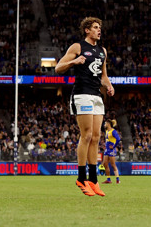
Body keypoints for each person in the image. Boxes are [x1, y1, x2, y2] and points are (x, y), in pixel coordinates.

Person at [55, 16, 114, 197]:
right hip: (82, 94)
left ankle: (93, 180)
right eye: (95, 27)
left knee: (96, 137)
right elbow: (58, 67)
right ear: (87, 30)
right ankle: (81, 178)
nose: (99, 30)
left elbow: (103, 75)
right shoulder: (78, 47)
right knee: (86, 135)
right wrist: (74, 62)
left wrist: (109, 85)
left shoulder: (102, 51)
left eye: (100, 27)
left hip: (97, 95)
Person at [102, 119, 121, 184]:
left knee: (113, 164)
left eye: (105, 123)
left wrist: (114, 146)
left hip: (111, 149)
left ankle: (117, 179)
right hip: (107, 150)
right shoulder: (107, 131)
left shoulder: (113, 131)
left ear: (108, 124)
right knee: (105, 164)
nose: (104, 125)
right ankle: (108, 179)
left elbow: (118, 139)